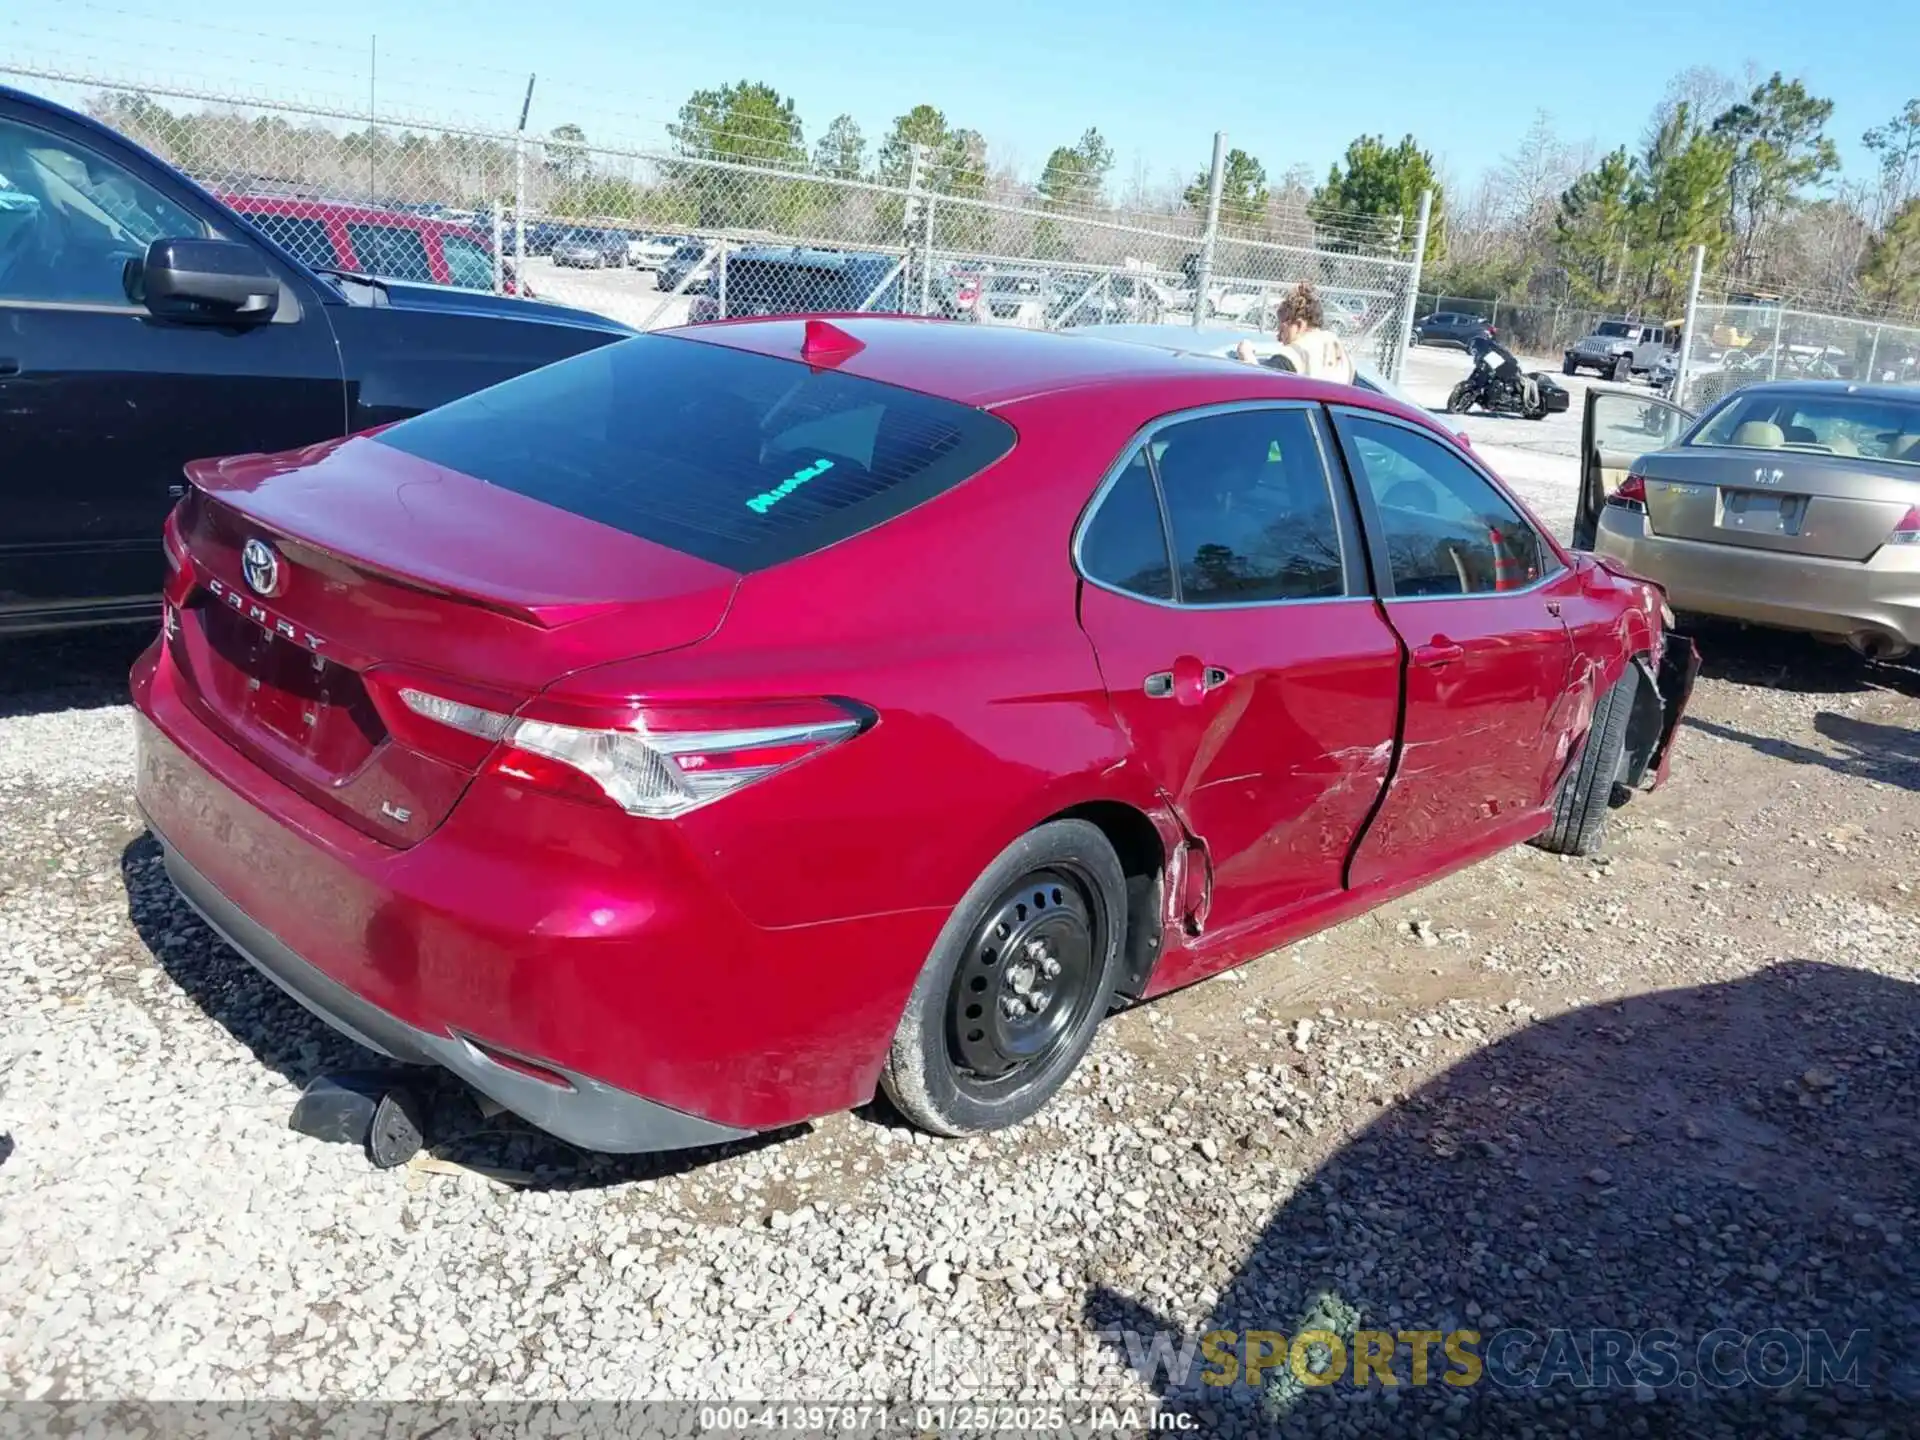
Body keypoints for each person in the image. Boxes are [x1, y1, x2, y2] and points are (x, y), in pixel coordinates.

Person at [1235, 282, 1355, 383]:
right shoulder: (1337, 347)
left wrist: (1246, 356)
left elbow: (1258, 382)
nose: (1279, 338)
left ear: (1298, 325)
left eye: (1282, 330)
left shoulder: (1293, 356)